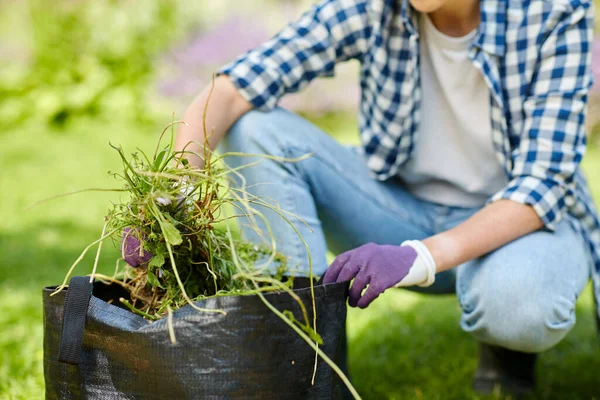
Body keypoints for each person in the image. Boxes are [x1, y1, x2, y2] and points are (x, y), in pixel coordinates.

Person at [170, 0, 600, 396]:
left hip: (518, 231)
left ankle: (507, 350)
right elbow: (230, 90)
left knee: (518, 305)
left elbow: (541, 186)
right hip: (400, 211)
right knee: (256, 130)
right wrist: (173, 204)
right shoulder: (373, 6)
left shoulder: (553, 12)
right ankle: (310, 363)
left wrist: (421, 257)